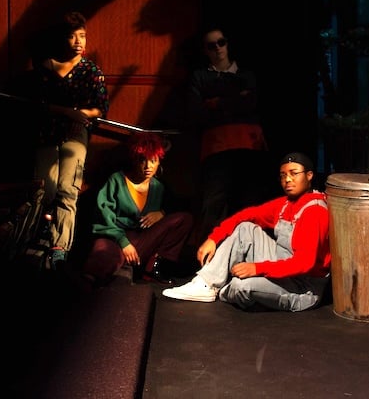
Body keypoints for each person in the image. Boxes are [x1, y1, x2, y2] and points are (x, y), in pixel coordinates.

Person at [161, 152, 330, 312]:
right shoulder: (286, 204)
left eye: (294, 173)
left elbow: (303, 263)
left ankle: (224, 287)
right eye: (283, 175)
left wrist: (257, 268)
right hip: (282, 264)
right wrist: (213, 238)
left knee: (241, 286)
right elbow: (247, 215)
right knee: (245, 228)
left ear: (309, 175)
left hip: (303, 286)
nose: (288, 179)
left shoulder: (315, 211)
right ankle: (206, 283)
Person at [15, 10, 109, 269]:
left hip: (76, 132)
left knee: (69, 189)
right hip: (46, 132)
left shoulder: (91, 70)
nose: (79, 41)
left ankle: (60, 248)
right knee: (44, 189)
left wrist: (81, 114)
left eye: (83, 35)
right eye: (72, 36)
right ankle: (34, 237)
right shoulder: (45, 67)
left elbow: (101, 107)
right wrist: (67, 111)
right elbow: (37, 104)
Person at [186, 25, 276, 245]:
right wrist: (236, 98)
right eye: (212, 45)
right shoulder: (200, 77)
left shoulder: (246, 75)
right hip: (217, 147)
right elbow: (197, 112)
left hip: (250, 145)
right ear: (205, 50)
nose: (218, 48)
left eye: (221, 42)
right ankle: (212, 255)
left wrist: (216, 102)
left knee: (250, 203)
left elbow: (252, 103)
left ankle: (251, 251)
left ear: (227, 44)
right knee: (214, 204)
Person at [81, 131, 195, 287]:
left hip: (142, 239)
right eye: (143, 160)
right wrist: (123, 243)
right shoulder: (117, 180)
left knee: (184, 219)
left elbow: (178, 206)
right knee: (103, 258)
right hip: (116, 237)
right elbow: (104, 216)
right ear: (135, 159)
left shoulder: (158, 187)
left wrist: (161, 213)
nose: (148, 166)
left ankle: (152, 269)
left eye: (153, 161)